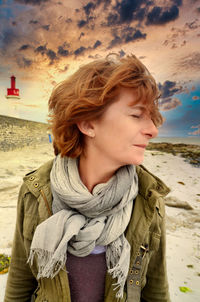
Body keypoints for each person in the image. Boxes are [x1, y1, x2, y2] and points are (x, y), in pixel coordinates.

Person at [4, 54, 171, 302]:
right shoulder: (35, 191)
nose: (153, 130)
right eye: (137, 115)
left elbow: (155, 293)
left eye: (151, 117)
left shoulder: (148, 200)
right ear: (87, 124)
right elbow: (20, 282)